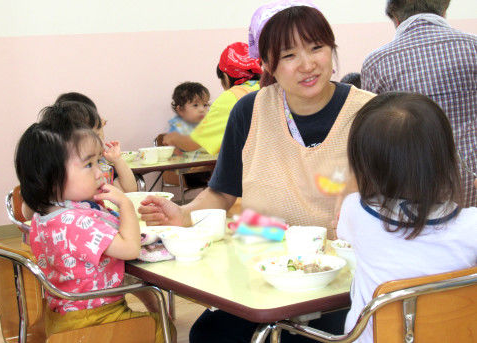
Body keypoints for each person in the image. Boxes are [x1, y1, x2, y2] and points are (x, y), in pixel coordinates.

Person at [139, 2, 375, 342]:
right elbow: (221, 192)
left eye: (317, 48)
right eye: (289, 55)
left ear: (332, 49)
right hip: (263, 271)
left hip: (340, 280)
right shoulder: (249, 111)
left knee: (305, 338)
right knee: (209, 335)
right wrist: (183, 214)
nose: (308, 65)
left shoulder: (369, 113)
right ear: (266, 64)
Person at [14, 116, 173, 341]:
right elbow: (130, 249)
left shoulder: (43, 216)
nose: (100, 172)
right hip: (96, 319)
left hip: (62, 316)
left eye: (99, 162)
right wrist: (125, 204)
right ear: (52, 177)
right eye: (89, 165)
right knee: (162, 328)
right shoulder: (78, 222)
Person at [338, 92, 477, 343]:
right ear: (445, 159)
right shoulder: (471, 226)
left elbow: (343, 241)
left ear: (364, 164)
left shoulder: (355, 211)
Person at [361, 0, 477, 207]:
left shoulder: (377, 62)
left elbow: (373, 138)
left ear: (396, 19)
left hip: (413, 188)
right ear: (444, 9)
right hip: (472, 184)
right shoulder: (473, 47)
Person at [162, 42, 262, 155]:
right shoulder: (270, 89)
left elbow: (194, 143)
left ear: (225, 76)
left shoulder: (232, 97)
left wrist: (174, 138)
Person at [53, 92, 138, 193]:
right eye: (96, 136)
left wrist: (118, 160)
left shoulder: (101, 164)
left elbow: (129, 189)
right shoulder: (69, 173)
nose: (100, 141)